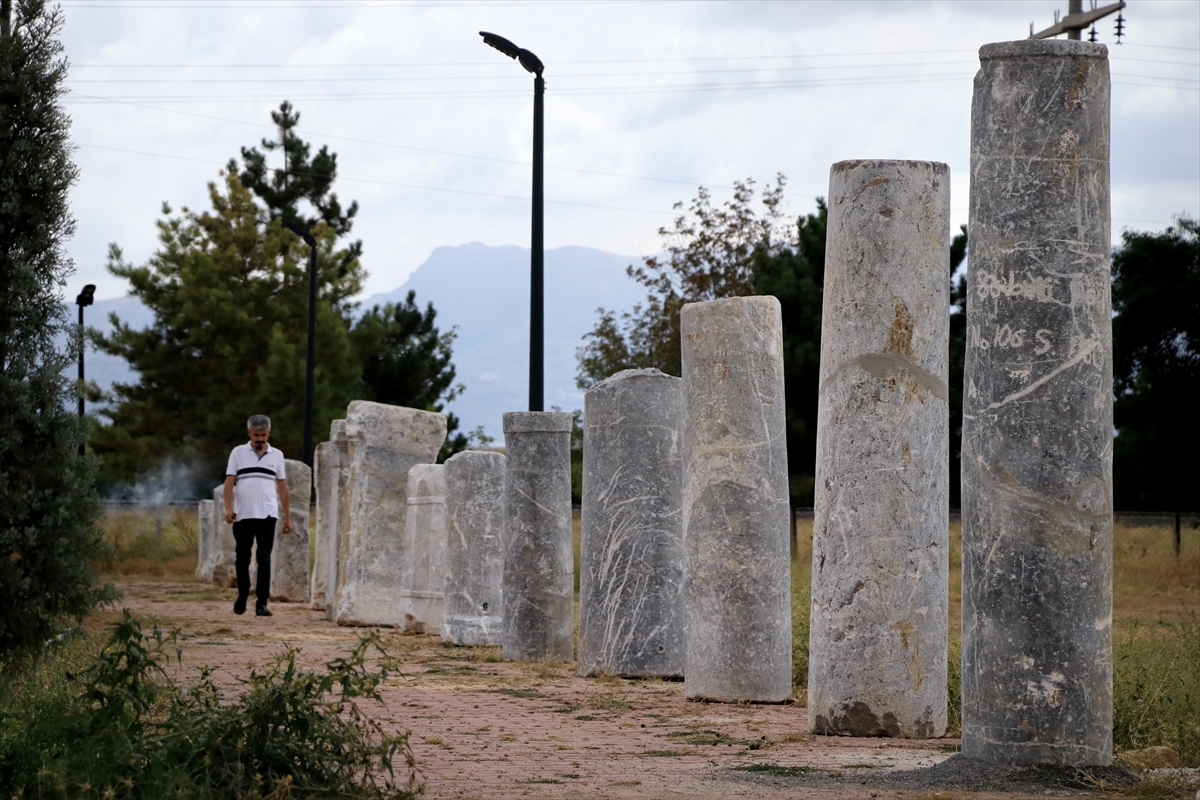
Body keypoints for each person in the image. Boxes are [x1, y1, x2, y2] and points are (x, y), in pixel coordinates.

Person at [224, 414, 292, 616]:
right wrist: (228, 508)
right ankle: (243, 595)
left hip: (267, 514)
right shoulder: (238, 453)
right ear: (249, 433)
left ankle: (262, 602)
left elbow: (282, 487)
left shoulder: (277, 455)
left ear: (268, 433)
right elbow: (229, 481)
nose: (260, 439)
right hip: (243, 515)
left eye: (263, 435)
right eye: (256, 435)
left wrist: (287, 517)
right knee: (242, 557)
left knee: (264, 557)